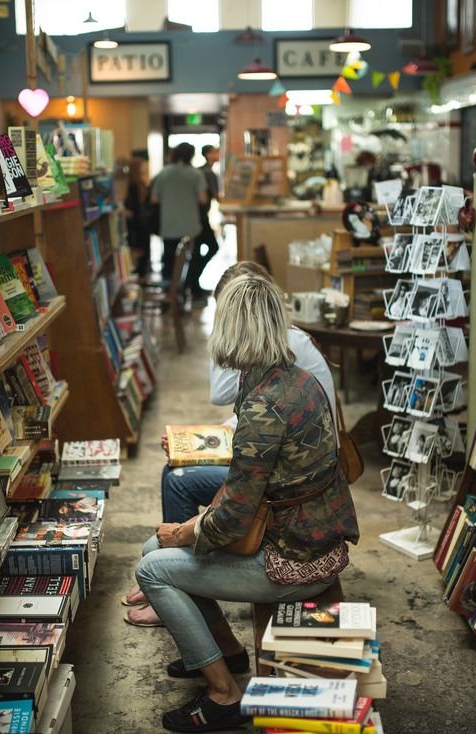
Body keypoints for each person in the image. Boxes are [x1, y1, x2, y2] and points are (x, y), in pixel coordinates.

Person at [134, 274, 359, 733]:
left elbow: (234, 516)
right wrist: (191, 531)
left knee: (151, 567)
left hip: (293, 563)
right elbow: (246, 492)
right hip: (312, 539)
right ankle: (225, 651)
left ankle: (223, 694)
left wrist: (184, 531)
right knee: (154, 549)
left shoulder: (262, 405)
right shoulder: (297, 379)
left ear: (231, 328)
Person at [123, 262, 339, 626]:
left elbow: (235, 515)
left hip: (289, 542)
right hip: (304, 521)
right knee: (171, 505)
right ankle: (194, 614)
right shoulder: (287, 375)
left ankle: (213, 664)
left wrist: (184, 532)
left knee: (157, 549)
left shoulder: (266, 393)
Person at [152, 143, 206, 289]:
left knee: (169, 260)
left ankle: (170, 293)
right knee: (191, 258)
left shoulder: (164, 173)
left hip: (169, 224)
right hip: (190, 225)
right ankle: (190, 287)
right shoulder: (196, 174)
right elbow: (203, 199)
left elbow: (154, 199)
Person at [187, 145, 221, 301]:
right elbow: (215, 196)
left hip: (194, 216)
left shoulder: (200, 171)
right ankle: (191, 283)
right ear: (208, 154)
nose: (218, 153)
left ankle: (193, 284)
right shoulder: (207, 172)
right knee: (212, 247)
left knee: (197, 251)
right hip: (200, 217)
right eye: (215, 151)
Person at [124, 152, 152, 278]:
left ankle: (142, 272)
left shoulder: (139, 183)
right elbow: (134, 205)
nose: (145, 167)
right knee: (140, 248)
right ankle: (141, 273)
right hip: (139, 222)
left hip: (141, 220)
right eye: (142, 165)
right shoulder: (134, 184)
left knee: (142, 248)